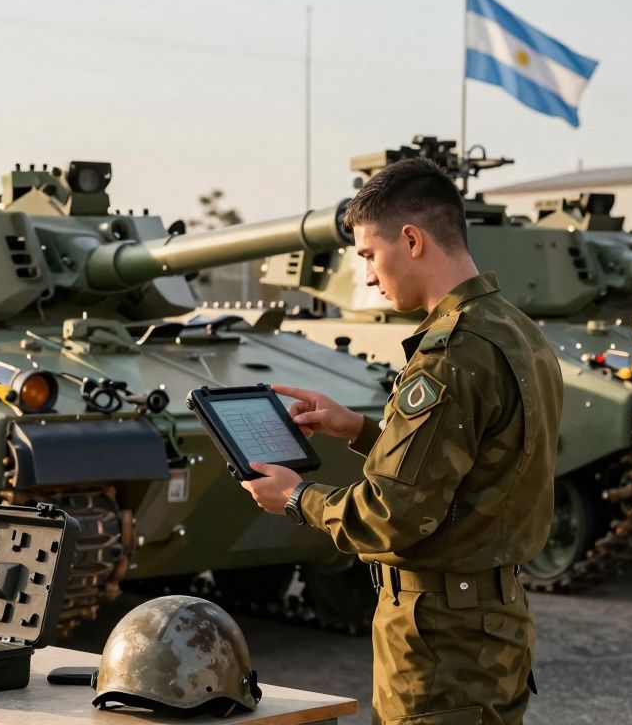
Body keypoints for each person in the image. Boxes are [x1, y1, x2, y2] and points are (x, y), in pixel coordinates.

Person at [240, 156, 564, 725]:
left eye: (369, 254)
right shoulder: (516, 330)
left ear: (412, 240)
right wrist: (361, 429)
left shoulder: (449, 357)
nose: (367, 275)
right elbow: (479, 463)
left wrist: (296, 497)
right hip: (494, 624)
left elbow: (392, 516)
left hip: (440, 642)